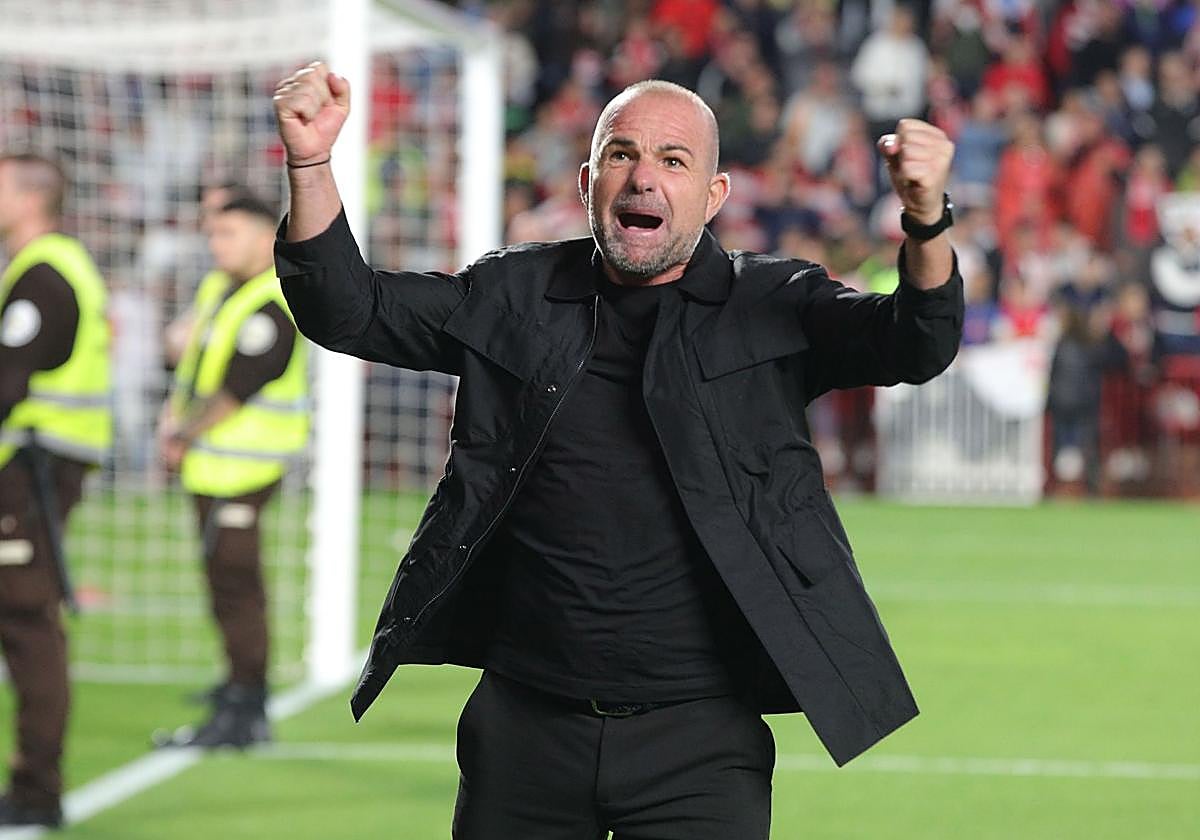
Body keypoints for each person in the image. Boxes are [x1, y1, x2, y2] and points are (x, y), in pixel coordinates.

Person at [273, 62, 961, 838]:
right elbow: (346, 310)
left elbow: (915, 342)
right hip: (524, 732)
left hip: (701, 744)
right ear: (587, 179)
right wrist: (310, 162)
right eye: (622, 154)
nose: (644, 179)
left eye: (674, 161)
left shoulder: (774, 303)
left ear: (714, 194)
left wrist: (925, 216)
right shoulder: (512, 294)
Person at [154, 194, 309, 748]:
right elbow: (192, 367)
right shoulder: (220, 290)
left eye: (229, 233)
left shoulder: (274, 301)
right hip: (210, 467)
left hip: (248, 469)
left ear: (264, 235)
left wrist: (181, 433)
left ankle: (247, 710)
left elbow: (238, 387)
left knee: (240, 588)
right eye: (213, 234)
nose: (217, 244)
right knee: (223, 585)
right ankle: (236, 686)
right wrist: (174, 420)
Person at [0, 153, 111, 828]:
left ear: (31, 197)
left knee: (26, 617)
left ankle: (38, 788)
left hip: (34, 466)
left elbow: (8, 382)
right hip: (35, 462)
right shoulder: (43, 269)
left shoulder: (46, 274)